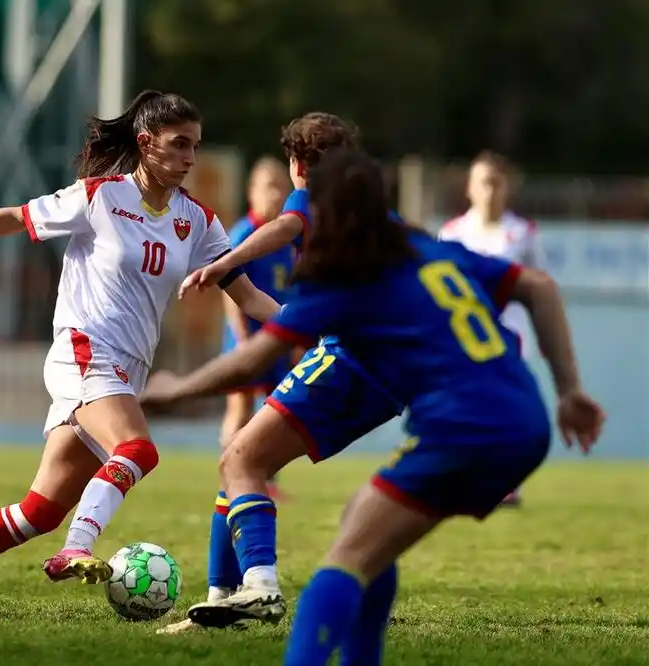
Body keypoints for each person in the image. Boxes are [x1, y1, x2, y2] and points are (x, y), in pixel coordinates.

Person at [141, 147, 604, 666]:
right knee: (364, 530)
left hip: (463, 429)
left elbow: (255, 361)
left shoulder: (348, 280)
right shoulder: (432, 252)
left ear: (330, 212)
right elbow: (538, 287)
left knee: (345, 559)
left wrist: (174, 391)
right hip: (528, 419)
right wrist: (569, 391)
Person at [0, 90, 283, 614]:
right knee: (137, 450)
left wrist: (315, 324)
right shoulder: (100, 197)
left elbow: (248, 297)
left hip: (127, 370)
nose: (189, 159)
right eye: (179, 145)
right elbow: (15, 218)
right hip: (84, 351)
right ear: (145, 143)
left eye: (195, 147)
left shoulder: (197, 221)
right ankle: (77, 548)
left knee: (37, 511)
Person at [156, 113, 404, 638]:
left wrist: (226, 262)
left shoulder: (310, 197)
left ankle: (262, 586)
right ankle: (220, 601)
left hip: (349, 357)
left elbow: (286, 227)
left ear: (297, 165)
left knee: (240, 457)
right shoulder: (375, 211)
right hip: (391, 373)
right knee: (241, 460)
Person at [439, 151, 547, 506]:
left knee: (505, 408)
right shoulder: (453, 233)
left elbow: (541, 287)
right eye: (483, 182)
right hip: (463, 337)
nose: (489, 190)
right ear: (470, 188)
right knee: (466, 406)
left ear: (506, 188)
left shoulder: (523, 234)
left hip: (509, 335)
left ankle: (506, 483)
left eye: (496, 182)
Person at [218, 156, 294, 502]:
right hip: (248, 339)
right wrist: (241, 339)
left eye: (281, 185)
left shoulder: (286, 239)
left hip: (277, 340)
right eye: (268, 186)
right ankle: (229, 477)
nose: (276, 194)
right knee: (241, 408)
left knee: (274, 409)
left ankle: (265, 480)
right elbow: (232, 292)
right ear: (252, 192)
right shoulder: (244, 235)